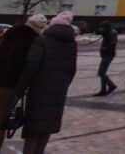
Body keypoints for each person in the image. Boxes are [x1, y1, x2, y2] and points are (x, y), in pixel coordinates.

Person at [0, 15, 45, 154]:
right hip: (8, 88)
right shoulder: (35, 40)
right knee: (0, 127)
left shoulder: (10, 33)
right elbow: (29, 66)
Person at [13, 11, 77, 154]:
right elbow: (72, 70)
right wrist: (62, 85)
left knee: (32, 130)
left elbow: (31, 66)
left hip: (38, 90)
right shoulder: (72, 43)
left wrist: (20, 89)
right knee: (46, 128)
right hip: (58, 91)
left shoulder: (43, 40)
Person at [95, 20, 118, 96]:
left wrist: (105, 48)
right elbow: (98, 33)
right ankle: (103, 90)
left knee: (101, 72)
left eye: (103, 27)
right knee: (102, 73)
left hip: (108, 54)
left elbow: (112, 43)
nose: (102, 29)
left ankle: (111, 85)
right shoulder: (107, 32)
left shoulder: (112, 33)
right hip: (105, 54)